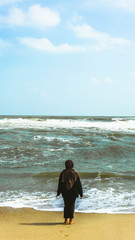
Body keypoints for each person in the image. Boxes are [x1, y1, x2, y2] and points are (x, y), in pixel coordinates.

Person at [56, 159, 83, 224]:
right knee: (72, 205)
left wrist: (58, 192)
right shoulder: (75, 173)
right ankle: (71, 221)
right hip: (73, 192)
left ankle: (66, 220)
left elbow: (60, 184)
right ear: (72, 165)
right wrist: (81, 193)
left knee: (66, 205)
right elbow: (78, 184)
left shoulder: (63, 173)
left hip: (65, 192)